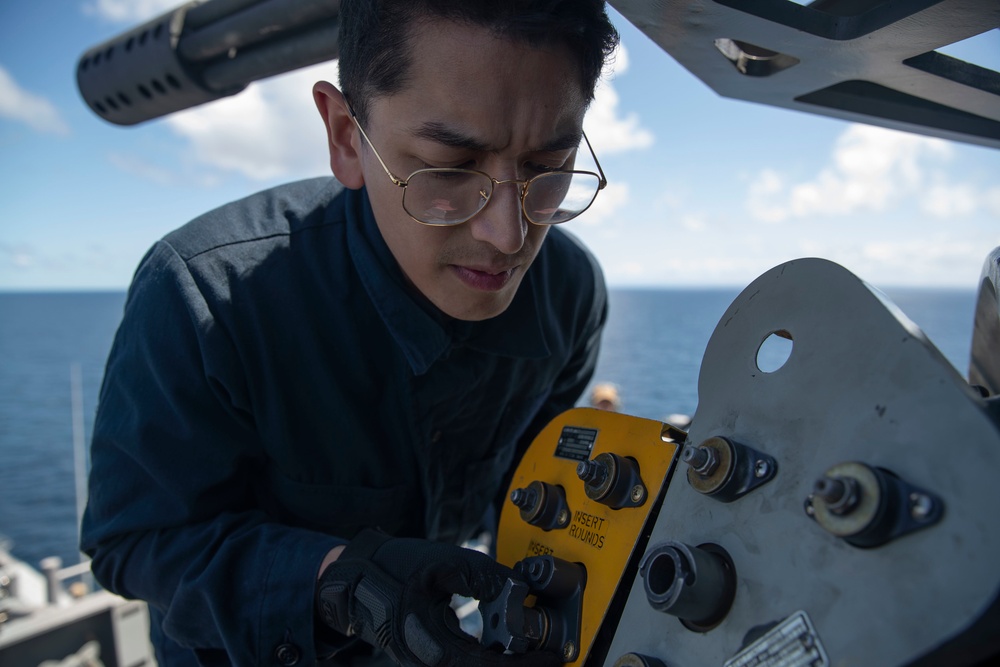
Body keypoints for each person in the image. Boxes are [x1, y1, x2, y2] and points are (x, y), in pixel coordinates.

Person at [80, 1, 619, 665]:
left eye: (547, 166)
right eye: (450, 167)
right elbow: (132, 541)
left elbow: (528, 495)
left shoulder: (568, 293)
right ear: (344, 135)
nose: (508, 237)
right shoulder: (204, 294)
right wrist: (339, 579)